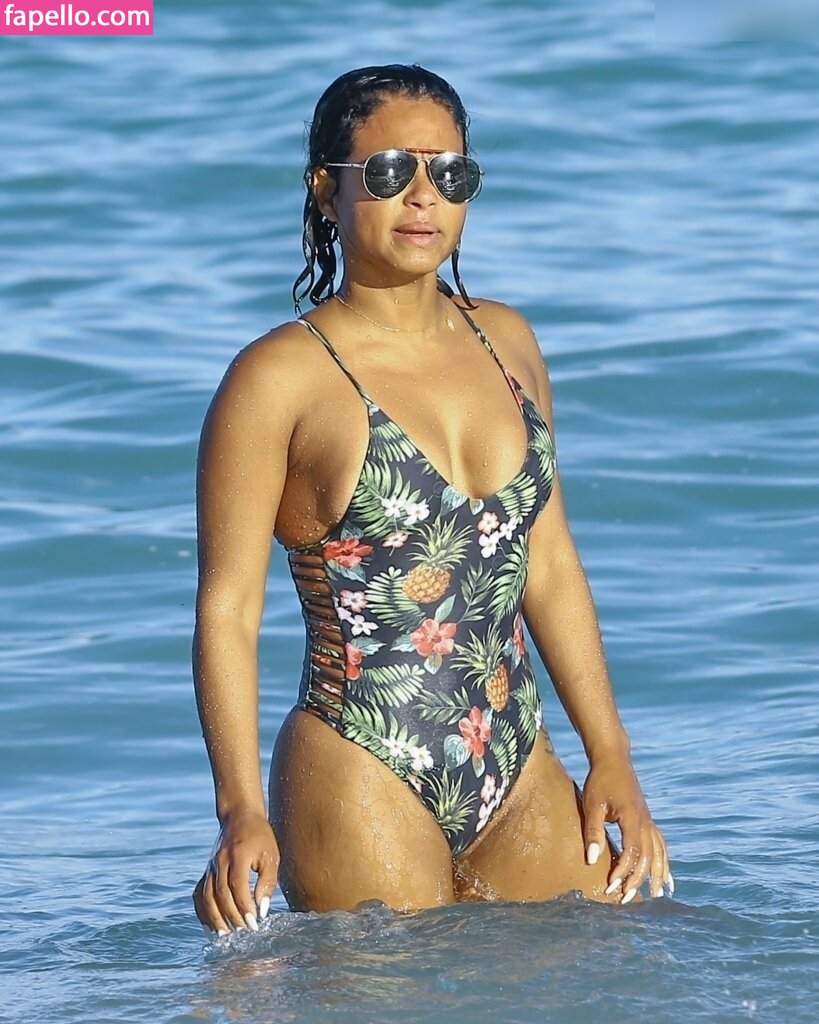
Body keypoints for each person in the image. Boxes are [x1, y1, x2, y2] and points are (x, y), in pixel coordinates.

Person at [191, 63, 672, 935]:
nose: (423, 196)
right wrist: (239, 810)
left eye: (450, 173)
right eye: (388, 172)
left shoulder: (507, 341)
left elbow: (549, 563)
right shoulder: (279, 377)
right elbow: (228, 608)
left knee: (604, 971)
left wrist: (610, 753)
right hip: (360, 762)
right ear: (326, 190)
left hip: (516, 757)